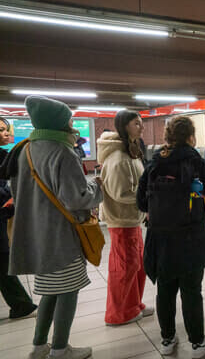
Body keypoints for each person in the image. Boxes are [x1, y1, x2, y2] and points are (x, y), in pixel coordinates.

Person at [8, 96, 103, 359]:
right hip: (61, 235)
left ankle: (39, 346)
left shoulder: (25, 149)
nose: (72, 124)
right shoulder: (62, 151)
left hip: (35, 233)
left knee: (51, 290)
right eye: (69, 119)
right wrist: (98, 187)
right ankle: (61, 348)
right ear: (58, 122)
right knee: (68, 291)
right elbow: (76, 197)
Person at [137, 116, 205, 357]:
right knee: (191, 291)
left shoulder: (154, 164)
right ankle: (197, 343)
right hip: (191, 238)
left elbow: (141, 202)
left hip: (160, 238)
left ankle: (167, 340)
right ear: (191, 137)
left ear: (167, 137)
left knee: (165, 289)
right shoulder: (197, 165)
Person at [97, 110, 152, 326]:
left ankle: (133, 304)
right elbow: (121, 193)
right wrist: (148, 196)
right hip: (121, 221)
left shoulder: (130, 152)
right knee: (124, 267)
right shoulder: (118, 158)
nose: (142, 127)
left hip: (132, 219)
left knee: (137, 265)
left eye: (141, 123)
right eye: (136, 124)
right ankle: (118, 313)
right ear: (124, 126)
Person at [0, 117, 38, 321]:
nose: (6, 134)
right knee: (3, 258)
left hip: (3, 215)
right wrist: (8, 194)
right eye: (1, 130)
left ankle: (21, 304)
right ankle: (21, 304)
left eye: (6, 129)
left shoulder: (4, 156)